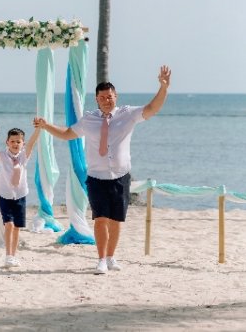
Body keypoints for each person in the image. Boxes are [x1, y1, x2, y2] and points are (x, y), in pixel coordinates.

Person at [34, 65, 171, 275]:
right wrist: (46, 126)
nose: (107, 100)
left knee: (116, 221)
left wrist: (163, 87)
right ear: (97, 100)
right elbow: (68, 133)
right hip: (96, 177)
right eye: (103, 97)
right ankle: (100, 260)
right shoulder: (89, 119)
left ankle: (111, 256)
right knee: (100, 219)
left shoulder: (128, 114)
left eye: (110, 96)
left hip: (120, 176)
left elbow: (152, 108)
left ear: (116, 96)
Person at [0, 125, 41, 268]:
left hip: (20, 195)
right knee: (9, 225)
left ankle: (13, 255)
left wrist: (38, 128)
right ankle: (8, 255)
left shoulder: (24, 156)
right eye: (12, 141)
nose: (15, 144)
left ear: (22, 144)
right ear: (7, 142)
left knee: (17, 227)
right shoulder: (3, 157)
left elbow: (32, 143)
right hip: (5, 195)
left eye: (18, 142)